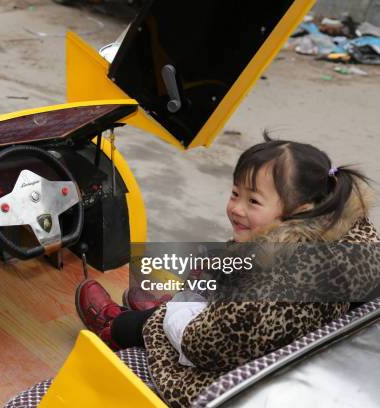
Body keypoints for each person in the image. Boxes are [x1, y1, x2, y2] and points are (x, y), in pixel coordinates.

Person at [75, 134, 380, 407]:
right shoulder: (345, 238)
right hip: (288, 348)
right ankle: (172, 308)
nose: (236, 208)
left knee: (151, 322)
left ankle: (114, 327)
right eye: (235, 193)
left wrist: (174, 313)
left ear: (299, 211)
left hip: (218, 381)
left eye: (253, 201)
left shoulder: (267, 293)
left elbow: (200, 345)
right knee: (204, 273)